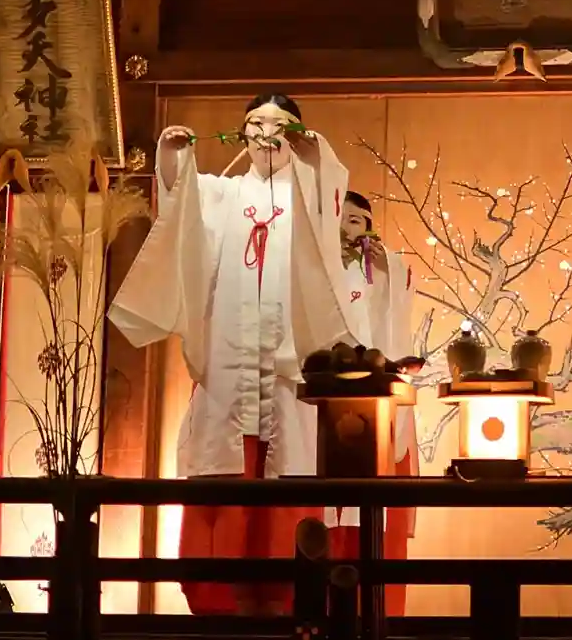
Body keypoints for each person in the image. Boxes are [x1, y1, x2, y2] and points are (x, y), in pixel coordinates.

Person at [108, 93, 359, 616]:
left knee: (287, 466)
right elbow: (180, 203)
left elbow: (330, 186)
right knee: (225, 470)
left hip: (285, 363)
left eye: (280, 125)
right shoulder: (221, 193)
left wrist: (312, 154)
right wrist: (174, 156)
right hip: (229, 358)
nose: (267, 134)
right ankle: (216, 602)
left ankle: (289, 598)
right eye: (256, 124)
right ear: (242, 134)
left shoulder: (307, 191)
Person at [323, 190, 419, 617]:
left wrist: (385, 274)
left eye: (355, 220)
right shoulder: (314, 268)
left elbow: (397, 319)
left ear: (369, 227)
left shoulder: (386, 266)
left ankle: (378, 613)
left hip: (375, 402)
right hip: (328, 400)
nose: (346, 228)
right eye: (338, 218)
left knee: (376, 524)